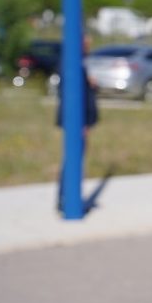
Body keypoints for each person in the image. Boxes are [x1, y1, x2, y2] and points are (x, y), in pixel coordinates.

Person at [56, 34, 99, 215]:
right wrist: (81, 122)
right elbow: (71, 95)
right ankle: (65, 199)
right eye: (86, 41)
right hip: (76, 121)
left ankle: (67, 197)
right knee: (73, 159)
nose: (89, 44)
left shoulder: (78, 63)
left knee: (75, 158)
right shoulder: (72, 63)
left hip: (80, 120)